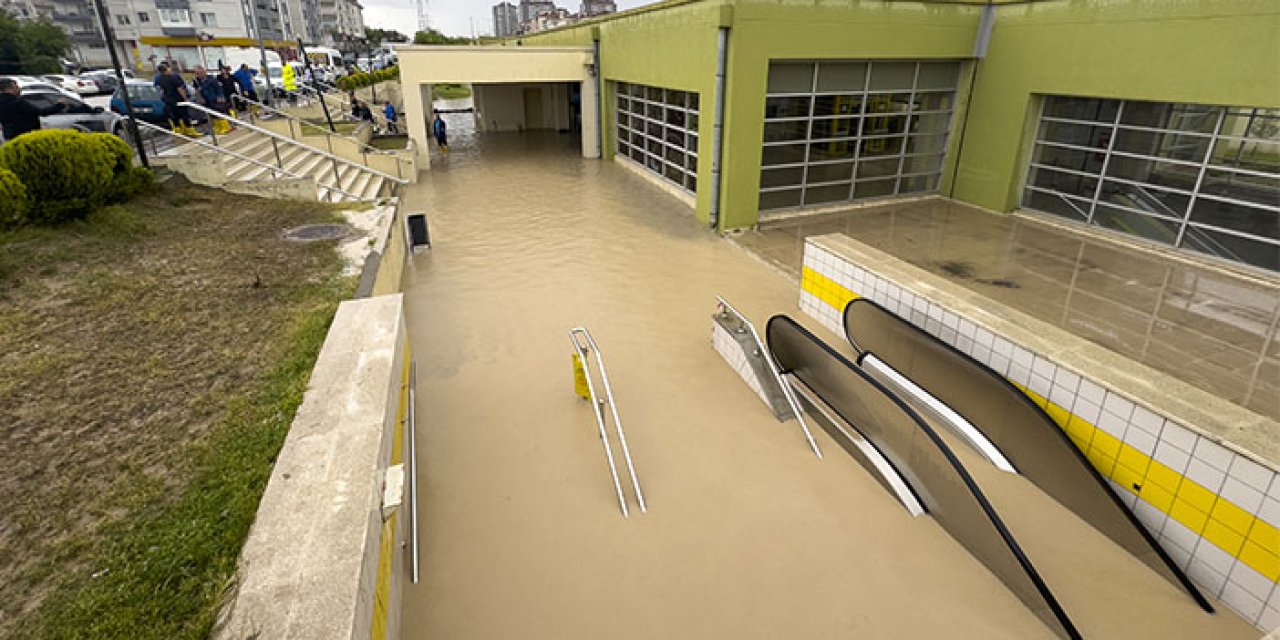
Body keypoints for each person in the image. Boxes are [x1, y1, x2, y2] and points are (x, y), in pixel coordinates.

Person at [0, 77, 67, 142]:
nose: (19, 90)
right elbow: (41, 112)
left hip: (10, 138)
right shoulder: (18, 103)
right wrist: (60, 105)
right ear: (9, 89)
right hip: (26, 137)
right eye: (16, 87)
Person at [154, 63, 195, 136]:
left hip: (168, 100)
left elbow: (159, 90)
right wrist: (185, 98)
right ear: (167, 69)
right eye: (169, 68)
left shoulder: (159, 79)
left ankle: (179, 131)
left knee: (175, 116)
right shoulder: (173, 77)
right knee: (184, 115)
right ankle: (190, 130)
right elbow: (179, 88)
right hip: (178, 99)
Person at [192, 66, 230, 135]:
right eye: (197, 73)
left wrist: (220, 97)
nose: (199, 75)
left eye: (200, 73)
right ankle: (217, 127)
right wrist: (199, 98)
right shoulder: (196, 81)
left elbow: (218, 88)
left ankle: (225, 127)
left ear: (204, 72)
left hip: (215, 98)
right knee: (211, 114)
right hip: (206, 100)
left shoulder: (211, 79)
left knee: (219, 112)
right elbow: (197, 90)